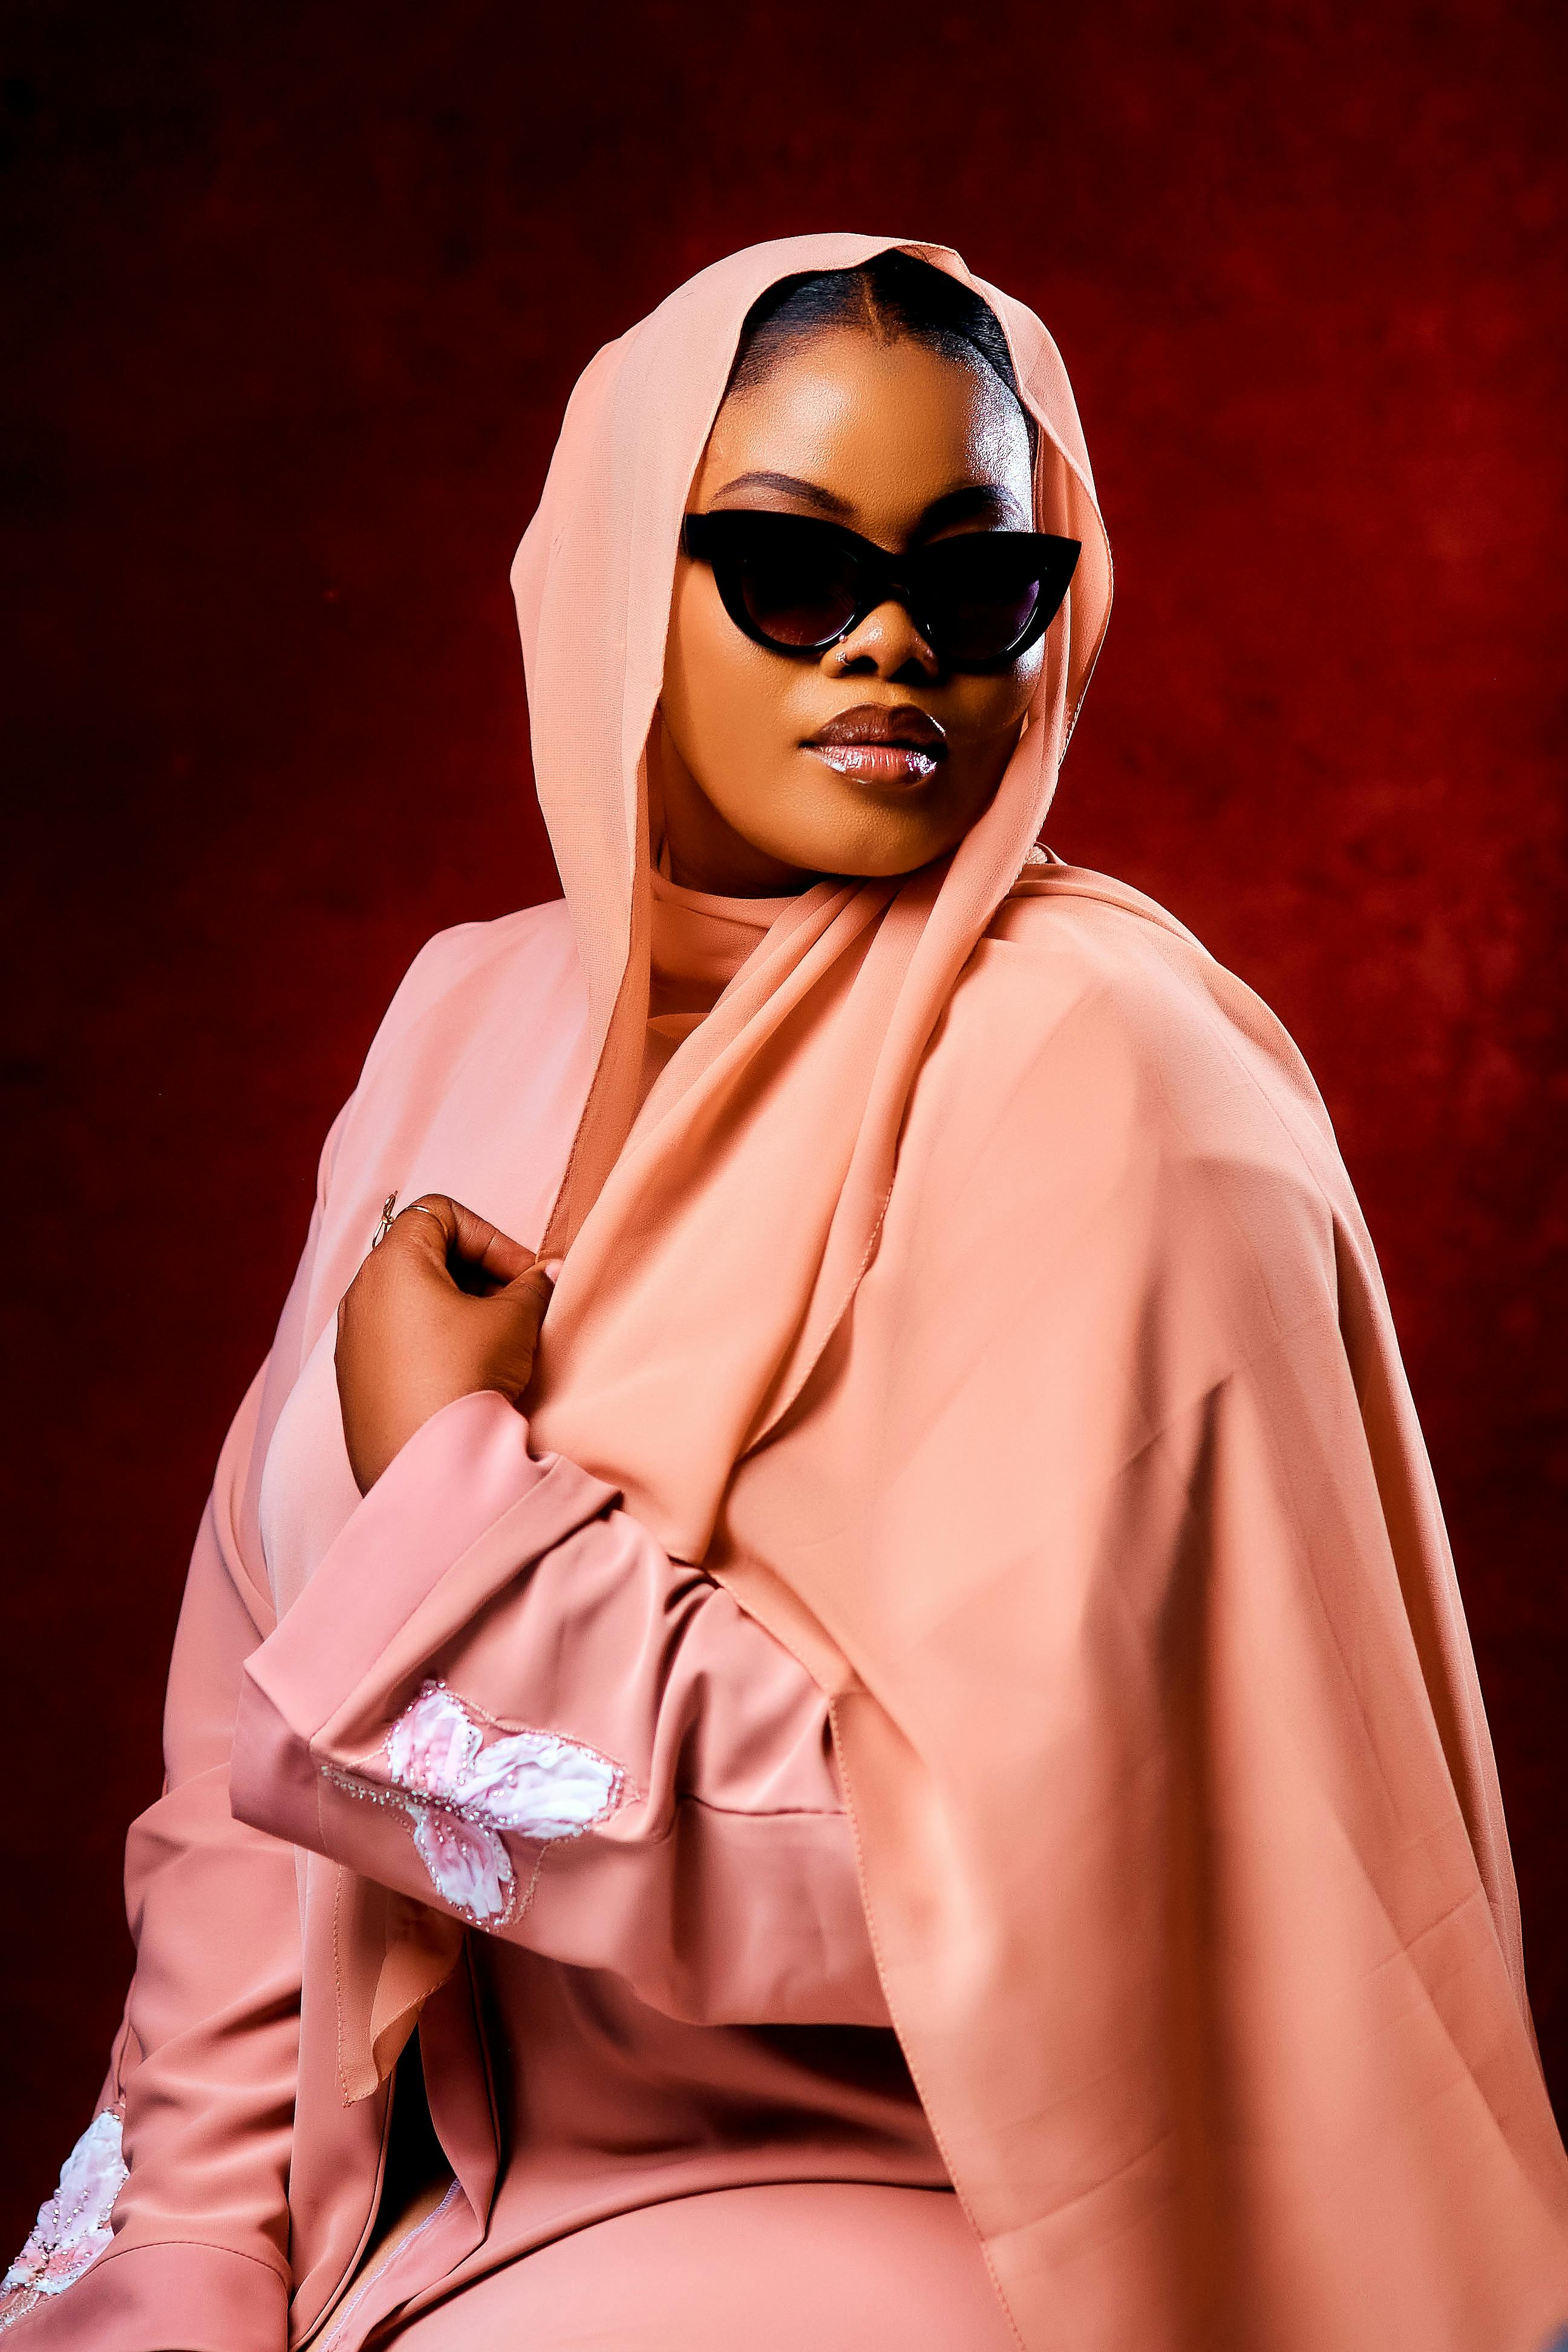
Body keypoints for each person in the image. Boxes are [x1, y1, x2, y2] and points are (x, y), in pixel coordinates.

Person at [4, 233, 1566, 2352]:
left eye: (979, 584)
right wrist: (191, 2248)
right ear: (617, 579)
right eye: (796, 571)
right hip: (405, 2227)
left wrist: (456, 1500)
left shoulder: (1116, 1079)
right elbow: (242, 1749)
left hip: (914, 2222)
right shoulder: (468, 1023)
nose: (894, 642)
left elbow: (1020, 1870)